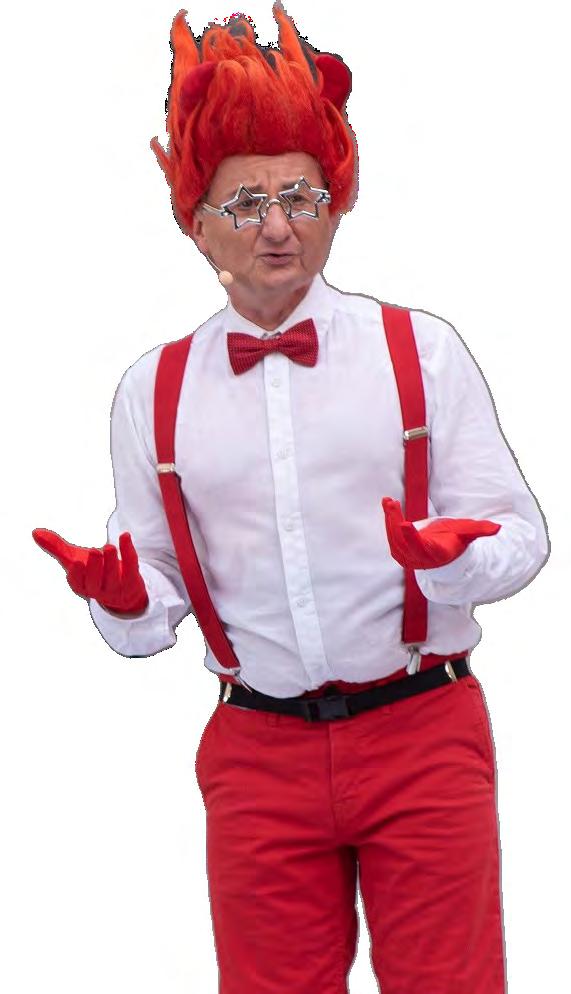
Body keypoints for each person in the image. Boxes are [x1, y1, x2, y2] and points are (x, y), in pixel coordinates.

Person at [32, 5, 549, 992]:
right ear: (194, 224)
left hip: (422, 732)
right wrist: (128, 598)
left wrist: (456, 559)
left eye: (299, 195)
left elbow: (521, 536)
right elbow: (151, 602)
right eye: (245, 202)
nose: (277, 226)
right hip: (255, 750)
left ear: (335, 201)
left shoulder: (421, 352)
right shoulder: (152, 392)